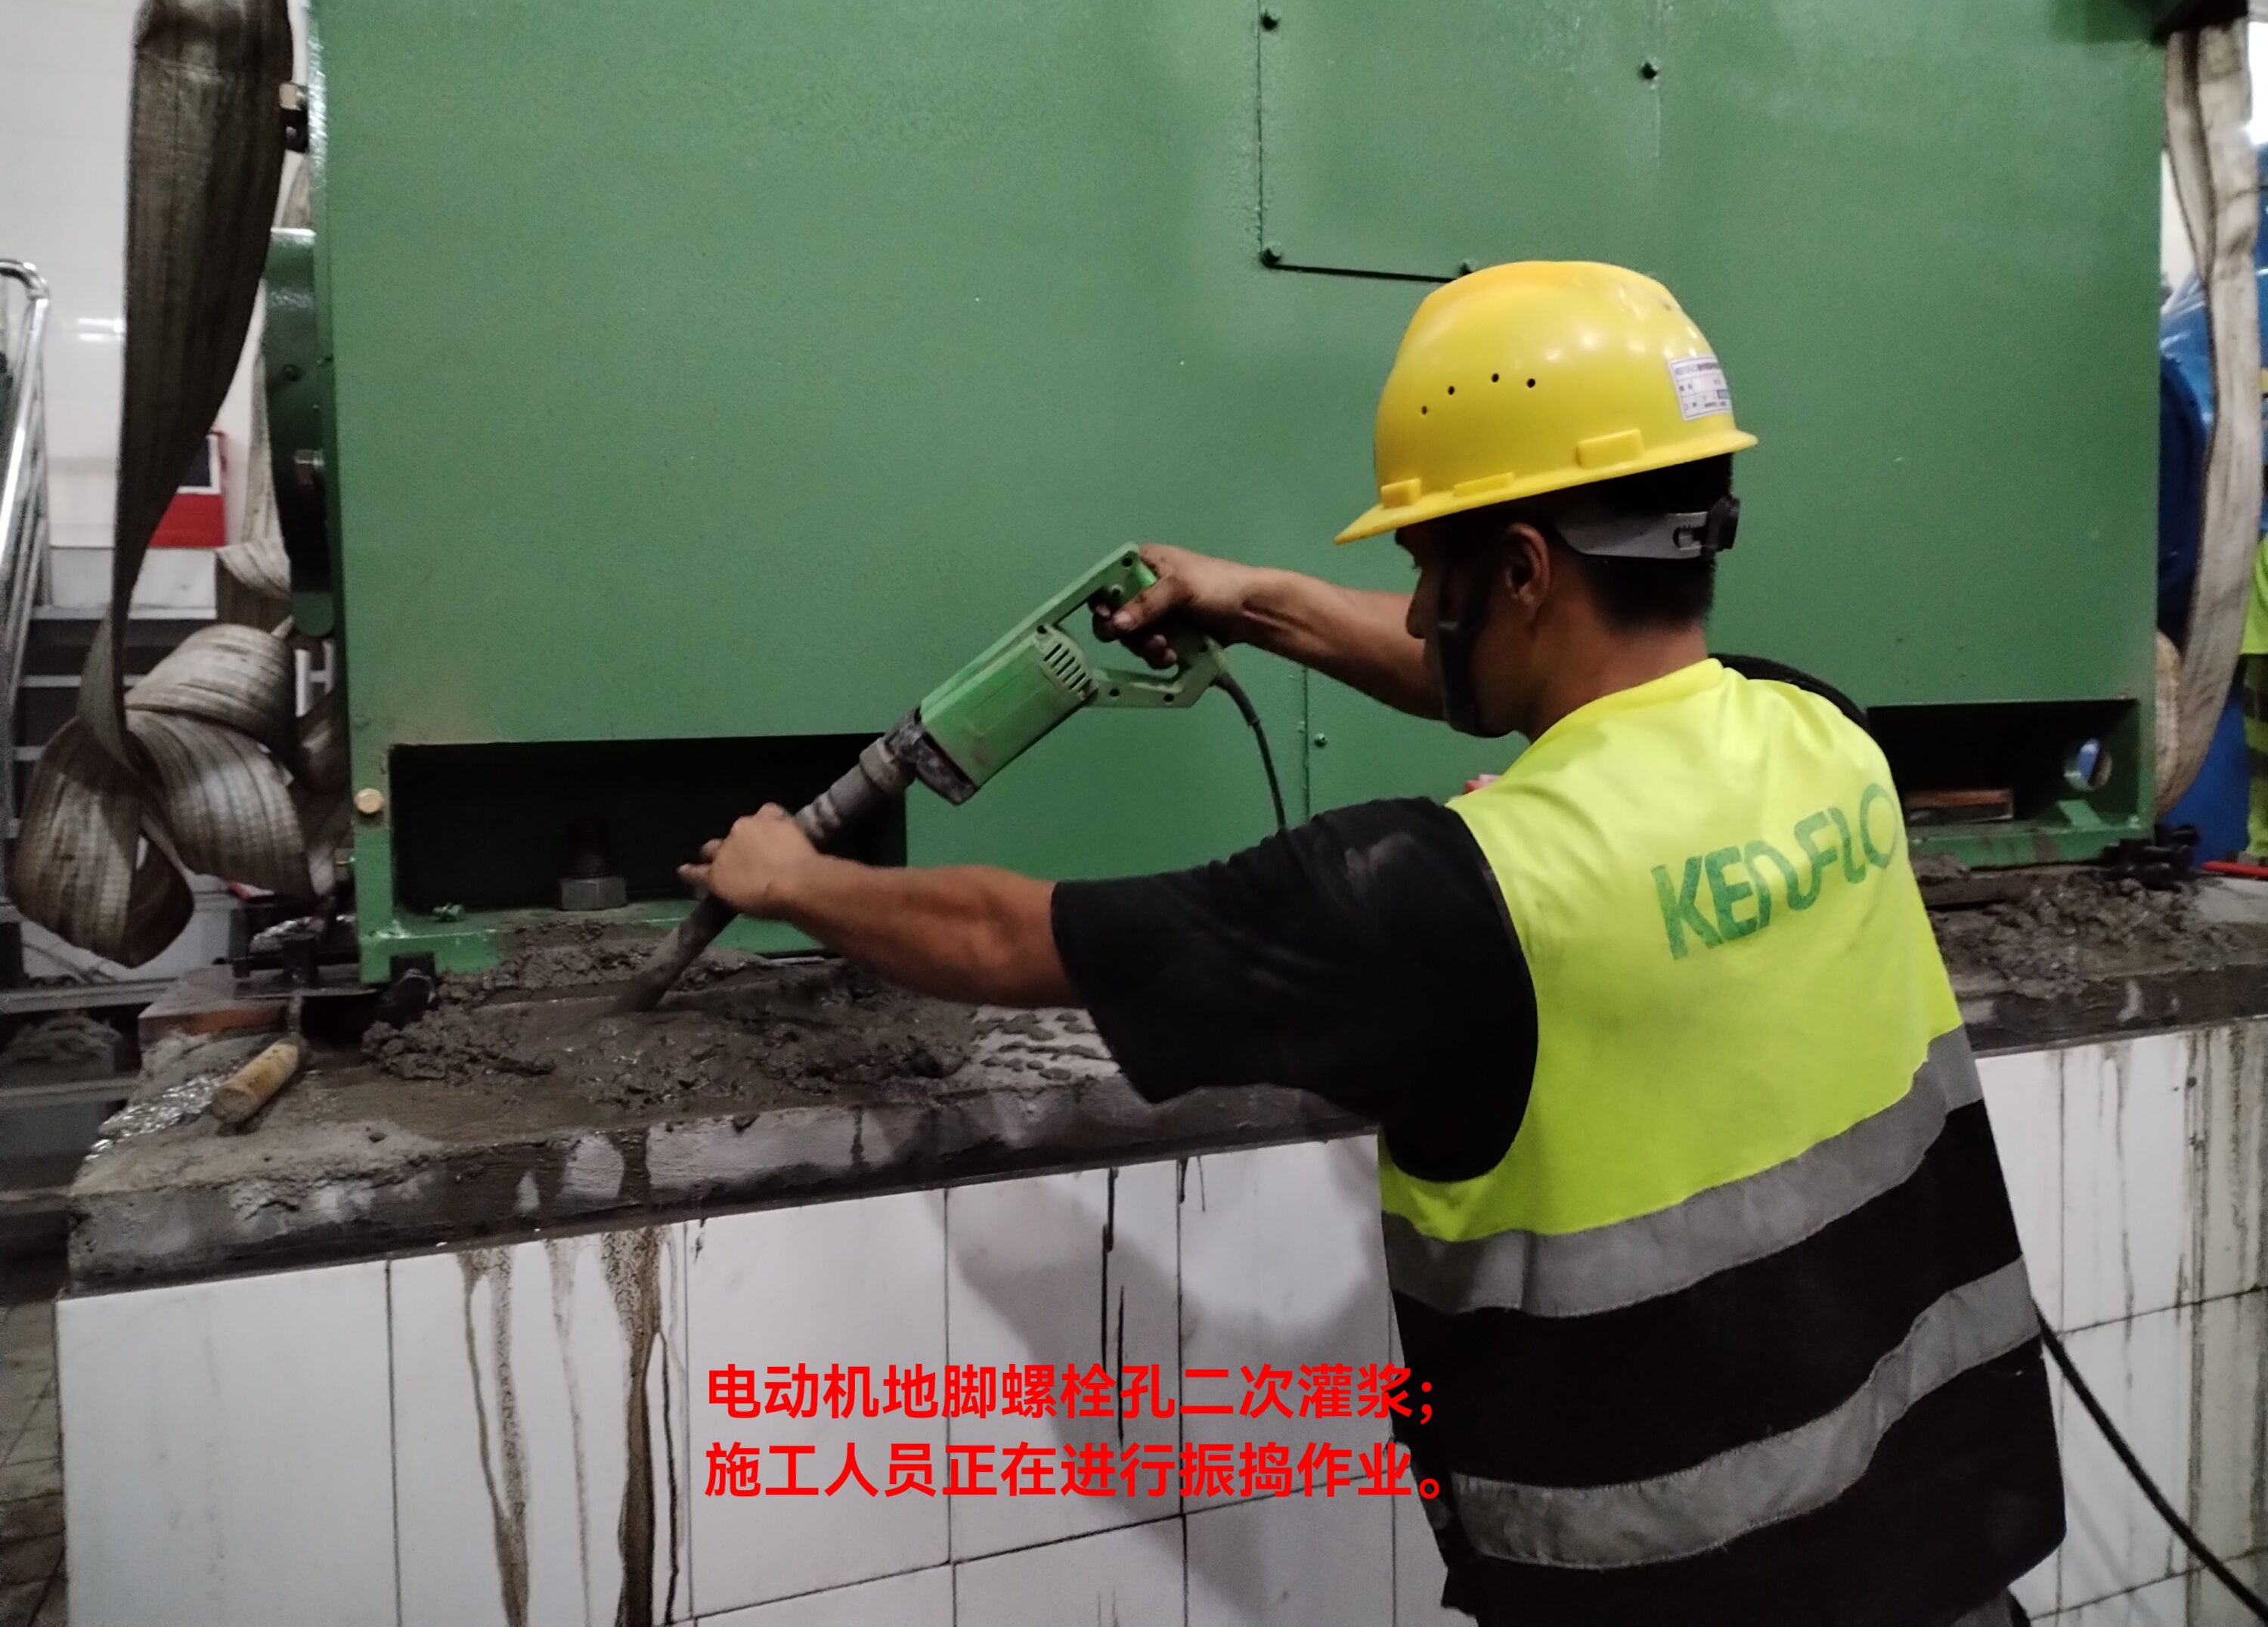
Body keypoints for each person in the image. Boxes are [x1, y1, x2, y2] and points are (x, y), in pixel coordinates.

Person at [681, 262, 2062, 1626]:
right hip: (1942, 1557)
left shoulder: (1454, 894)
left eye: (1424, 568)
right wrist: (1252, 602)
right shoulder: (1820, 734)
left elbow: (1011, 937)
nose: (1411, 613)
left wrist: (793, 877)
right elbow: (1517, 678)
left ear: (1520, 570)